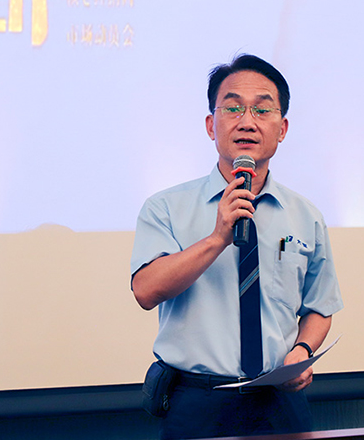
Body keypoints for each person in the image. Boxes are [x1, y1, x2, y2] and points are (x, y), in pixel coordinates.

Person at [130, 54, 343, 439]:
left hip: (280, 402)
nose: (247, 121)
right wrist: (217, 239)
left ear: (282, 128)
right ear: (211, 125)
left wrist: (302, 351)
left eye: (262, 109)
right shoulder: (166, 207)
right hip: (198, 402)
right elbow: (146, 291)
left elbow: (320, 307)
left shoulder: (305, 215)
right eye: (232, 108)